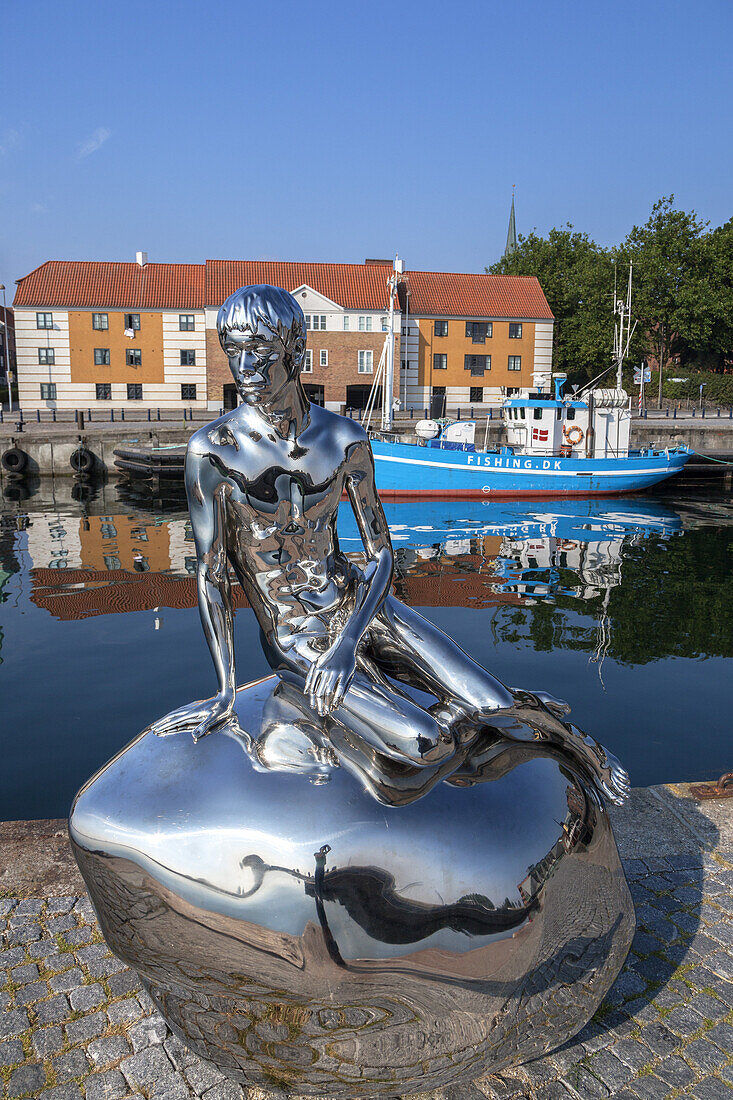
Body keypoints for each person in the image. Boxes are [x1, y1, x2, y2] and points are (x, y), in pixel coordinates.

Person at [152, 285, 628, 804]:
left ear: (296, 353)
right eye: (234, 351)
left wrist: (350, 644)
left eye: (261, 353)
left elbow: (381, 554)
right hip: (295, 632)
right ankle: (469, 719)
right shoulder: (212, 451)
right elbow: (212, 575)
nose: (244, 368)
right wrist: (226, 690)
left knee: (491, 702)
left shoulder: (344, 439)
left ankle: (572, 741)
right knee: (426, 742)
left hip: (359, 603)